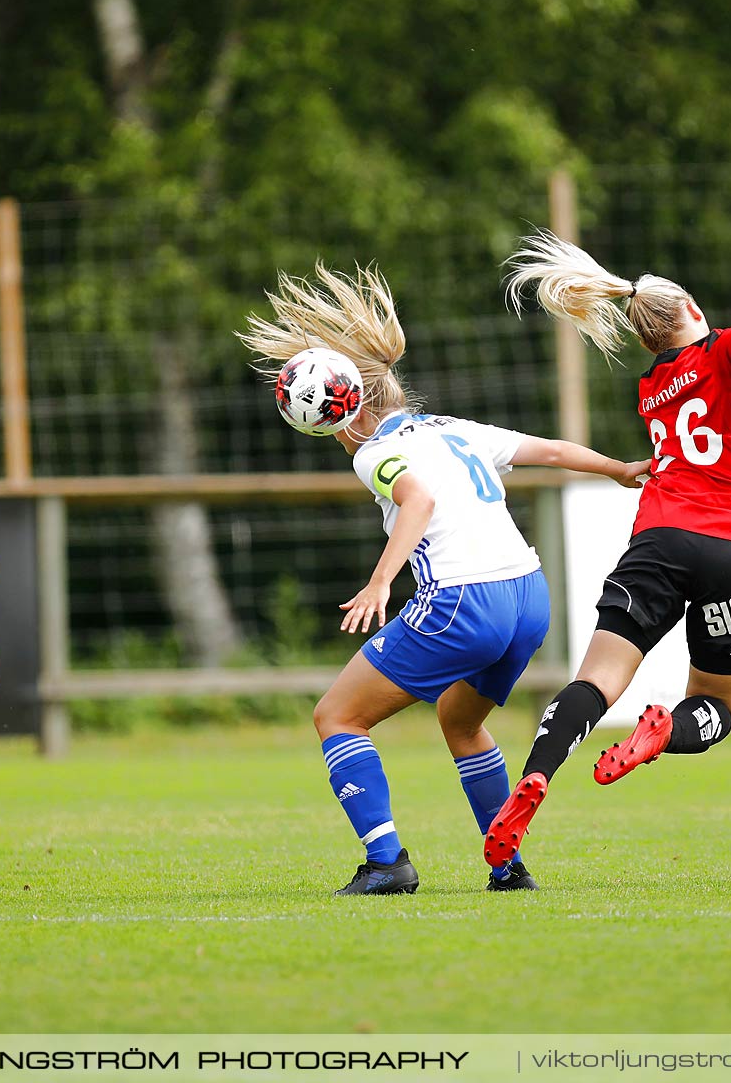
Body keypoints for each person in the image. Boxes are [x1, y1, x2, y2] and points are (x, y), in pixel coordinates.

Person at [237, 263, 650, 895]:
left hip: (465, 602)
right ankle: (507, 865)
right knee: (461, 720)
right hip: (527, 597)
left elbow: (418, 501)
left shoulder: (374, 452)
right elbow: (558, 452)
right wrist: (618, 469)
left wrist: (380, 581)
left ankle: (387, 863)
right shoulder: (452, 429)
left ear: (333, 417)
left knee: (337, 716)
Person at [484, 231, 731, 869]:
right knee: (716, 706)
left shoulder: (653, 387)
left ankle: (535, 779)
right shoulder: (723, 348)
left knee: (594, 680)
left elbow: (704, 443)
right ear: (694, 313)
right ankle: (661, 733)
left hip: (659, 540)